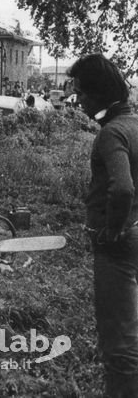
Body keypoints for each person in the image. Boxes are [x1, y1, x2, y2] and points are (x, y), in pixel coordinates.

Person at [68, 54, 138, 397]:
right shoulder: (135, 124)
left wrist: (112, 228)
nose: (78, 99)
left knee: (119, 341)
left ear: (97, 93)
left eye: (81, 92)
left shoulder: (112, 133)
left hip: (118, 245)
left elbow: (123, 187)